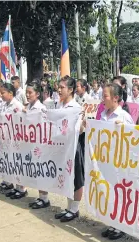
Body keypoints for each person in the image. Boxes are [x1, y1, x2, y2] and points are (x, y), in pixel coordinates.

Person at [97, 83, 134, 240]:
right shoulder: (103, 115)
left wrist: (126, 129)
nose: (102, 99)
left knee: (120, 193)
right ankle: (113, 223)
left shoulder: (124, 117)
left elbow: (135, 139)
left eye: (105, 96)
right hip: (106, 161)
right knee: (109, 192)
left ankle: (121, 226)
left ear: (116, 98)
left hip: (120, 162)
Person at [54, 75, 85, 222]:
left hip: (74, 147)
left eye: (62, 88)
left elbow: (80, 130)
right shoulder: (59, 106)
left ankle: (75, 209)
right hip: (62, 147)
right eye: (58, 87)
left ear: (71, 90)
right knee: (66, 177)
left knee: (76, 178)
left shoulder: (77, 108)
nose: (59, 90)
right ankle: (68, 207)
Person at [0, 83, 24, 195]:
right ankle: (12, 183)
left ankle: (21, 188)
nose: (1, 95)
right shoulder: (5, 105)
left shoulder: (17, 106)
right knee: (9, 162)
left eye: (3, 93)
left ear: (10, 93)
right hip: (5, 139)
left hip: (15, 140)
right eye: (0, 93)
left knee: (17, 163)